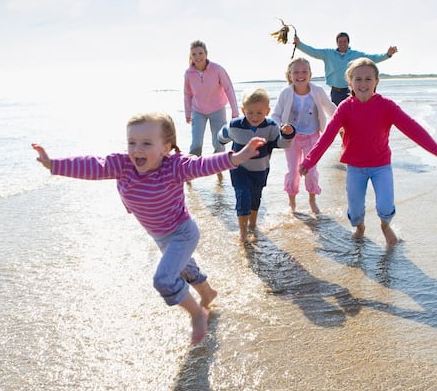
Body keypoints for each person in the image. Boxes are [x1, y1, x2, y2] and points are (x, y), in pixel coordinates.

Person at [32, 112, 265, 344]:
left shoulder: (174, 167)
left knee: (164, 279)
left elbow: (203, 164)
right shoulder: (122, 165)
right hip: (159, 235)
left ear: (166, 147)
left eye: (146, 143)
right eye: (131, 143)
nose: (136, 150)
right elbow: (92, 165)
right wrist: (53, 164)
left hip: (182, 233)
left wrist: (239, 156)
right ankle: (207, 292)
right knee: (185, 268)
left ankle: (196, 314)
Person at [299, 58, 437, 247]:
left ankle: (385, 226)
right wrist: (309, 161)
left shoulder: (386, 106)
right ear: (350, 82)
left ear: (376, 81)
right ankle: (360, 227)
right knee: (355, 212)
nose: (363, 84)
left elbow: (412, 128)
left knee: (385, 206)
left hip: (381, 166)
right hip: (355, 168)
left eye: (368, 79)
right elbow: (327, 136)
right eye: (358, 79)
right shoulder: (345, 108)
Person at [218, 88, 296, 242]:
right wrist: (221, 138)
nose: (254, 116)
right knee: (243, 196)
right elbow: (222, 137)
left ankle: (253, 225)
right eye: (250, 112)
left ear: (267, 111)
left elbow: (281, 144)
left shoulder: (271, 126)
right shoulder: (235, 125)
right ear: (243, 110)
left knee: (255, 197)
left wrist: (288, 134)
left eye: (259, 113)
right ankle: (242, 234)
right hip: (239, 169)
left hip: (261, 170)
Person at [271, 57, 337, 214]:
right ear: (290, 75)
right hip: (291, 139)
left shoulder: (317, 91)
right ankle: (292, 204)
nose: (300, 75)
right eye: (296, 72)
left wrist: (345, 122)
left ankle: (312, 201)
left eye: (304, 71)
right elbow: (275, 115)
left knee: (311, 170)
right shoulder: (286, 93)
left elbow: (331, 109)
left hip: (312, 137)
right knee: (293, 171)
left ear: (310, 74)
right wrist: (282, 126)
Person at [184, 40, 240, 181]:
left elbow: (229, 88)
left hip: (217, 109)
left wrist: (235, 111)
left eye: (201, 53)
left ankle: (218, 171)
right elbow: (187, 94)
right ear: (190, 56)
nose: (198, 57)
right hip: (198, 111)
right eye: (194, 54)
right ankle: (189, 174)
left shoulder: (217, 69)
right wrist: (187, 112)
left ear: (206, 54)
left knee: (219, 142)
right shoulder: (189, 73)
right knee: (196, 144)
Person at [293, 32, 398, 105]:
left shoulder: (355, 54)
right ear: (337, 43)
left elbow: (372, 58)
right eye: (340, 41)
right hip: (335, 92)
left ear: (348, 42)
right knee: (339, 121)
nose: (342, 44)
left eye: (344, 41)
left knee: (353, 118)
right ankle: (344, 138)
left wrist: (387, 54)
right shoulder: (328, 54)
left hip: (351, 91)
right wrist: (299, 44)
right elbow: (313, 51)